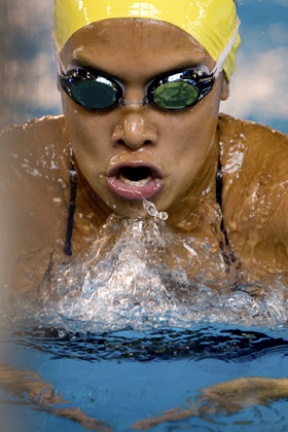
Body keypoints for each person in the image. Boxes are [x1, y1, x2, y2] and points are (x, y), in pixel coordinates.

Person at [1, 1, 288, 428]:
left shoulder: (274, 198)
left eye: (176, 90)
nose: (133, 132)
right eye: (94, 89)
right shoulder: (15, 184)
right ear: (60, 82)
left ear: (223, 78)